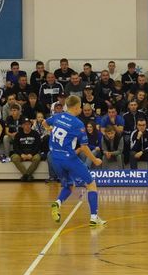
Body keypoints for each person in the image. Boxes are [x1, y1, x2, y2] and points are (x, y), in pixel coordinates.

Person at [45, 95, 106, 226]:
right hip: (69, 158)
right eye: (81, 107)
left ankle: (57, 203)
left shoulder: (58, 116)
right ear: (77, 107)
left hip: (55, 158)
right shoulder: (78, 123)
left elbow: (45, 123)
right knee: (91, 184)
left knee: (69, 185)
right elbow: (84, 147)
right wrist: (95, 160)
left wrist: (50, 131)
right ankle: (94, 218)